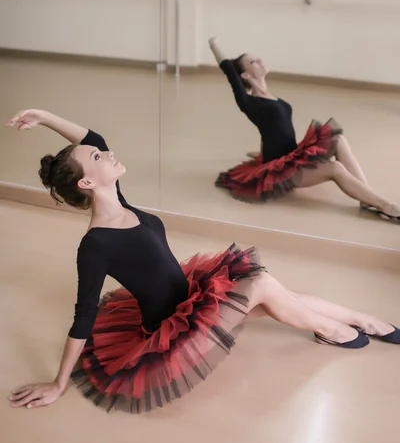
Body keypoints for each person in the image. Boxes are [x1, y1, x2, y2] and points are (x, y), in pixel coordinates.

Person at [5, 109, 400, 414]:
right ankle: (335, 328)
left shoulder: (119, 200)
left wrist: (44, 117)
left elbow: (93, 137)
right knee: (261, 284)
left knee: (274, 292)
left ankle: (359, 319)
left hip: (194, 297)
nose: (108, 153)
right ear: (88, 183)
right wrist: (58, 384)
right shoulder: (95, 243)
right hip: (174, 330)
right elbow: (84, 314)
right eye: (97, 157)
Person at [209, 37, 400, 222]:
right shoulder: (249, 102)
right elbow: (229, 70)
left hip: (293, 155)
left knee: (338, 139)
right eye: (253, 61)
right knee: (335, 168)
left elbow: (267, 129)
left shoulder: (271, 98)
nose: (260, 61)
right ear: (245, 75)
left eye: (258, 58)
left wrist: (260, 154)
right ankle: (387, 206)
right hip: (283, 171)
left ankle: (367, 197)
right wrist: (214, 44)